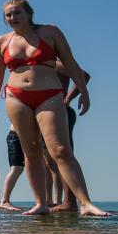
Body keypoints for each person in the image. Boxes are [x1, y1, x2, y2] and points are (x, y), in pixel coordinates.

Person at [0, 0, 107, 216]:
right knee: (31, 153)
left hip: (49, 95)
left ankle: (86, 204)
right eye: (8, 15)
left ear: (29, 14)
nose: (12, 18)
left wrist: (84, 91)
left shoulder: (50, 32)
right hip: (17, 98)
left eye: (17, 13)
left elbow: (70, 62)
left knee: (60, 150)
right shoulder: (2, 41)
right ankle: (41, 203)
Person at [44, 61, 91, 212]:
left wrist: (68, 98)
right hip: (49, 114)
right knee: (53, 160)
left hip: (60, 112)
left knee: (63, 157)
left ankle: (70, 202)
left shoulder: (54, 63)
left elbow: (83, 75)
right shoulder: (43, 65)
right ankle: (66, 201)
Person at [0, 124, 26, 211]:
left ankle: (43, 201)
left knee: (19, 169)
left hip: (25, 136)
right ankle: (4, 201)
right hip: (16, 136)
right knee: (16, 168)